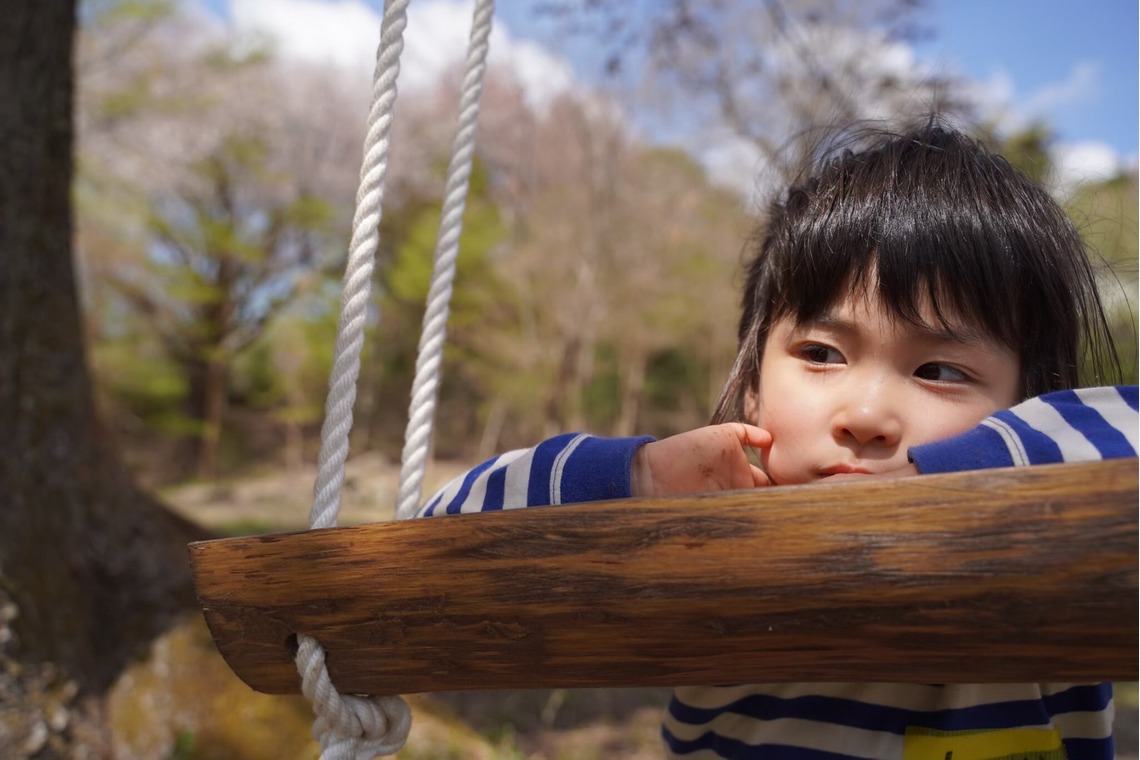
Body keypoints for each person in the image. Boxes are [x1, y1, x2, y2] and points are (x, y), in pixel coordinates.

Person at [416, 120, 1137, 759]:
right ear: (754, 385)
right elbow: (436, 547)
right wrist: (636, 483)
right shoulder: (710, 551)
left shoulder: (1058, 552)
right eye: (822, 354)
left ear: (1028, 405)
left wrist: (975, 474)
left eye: (940, 369)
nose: (866, 413)